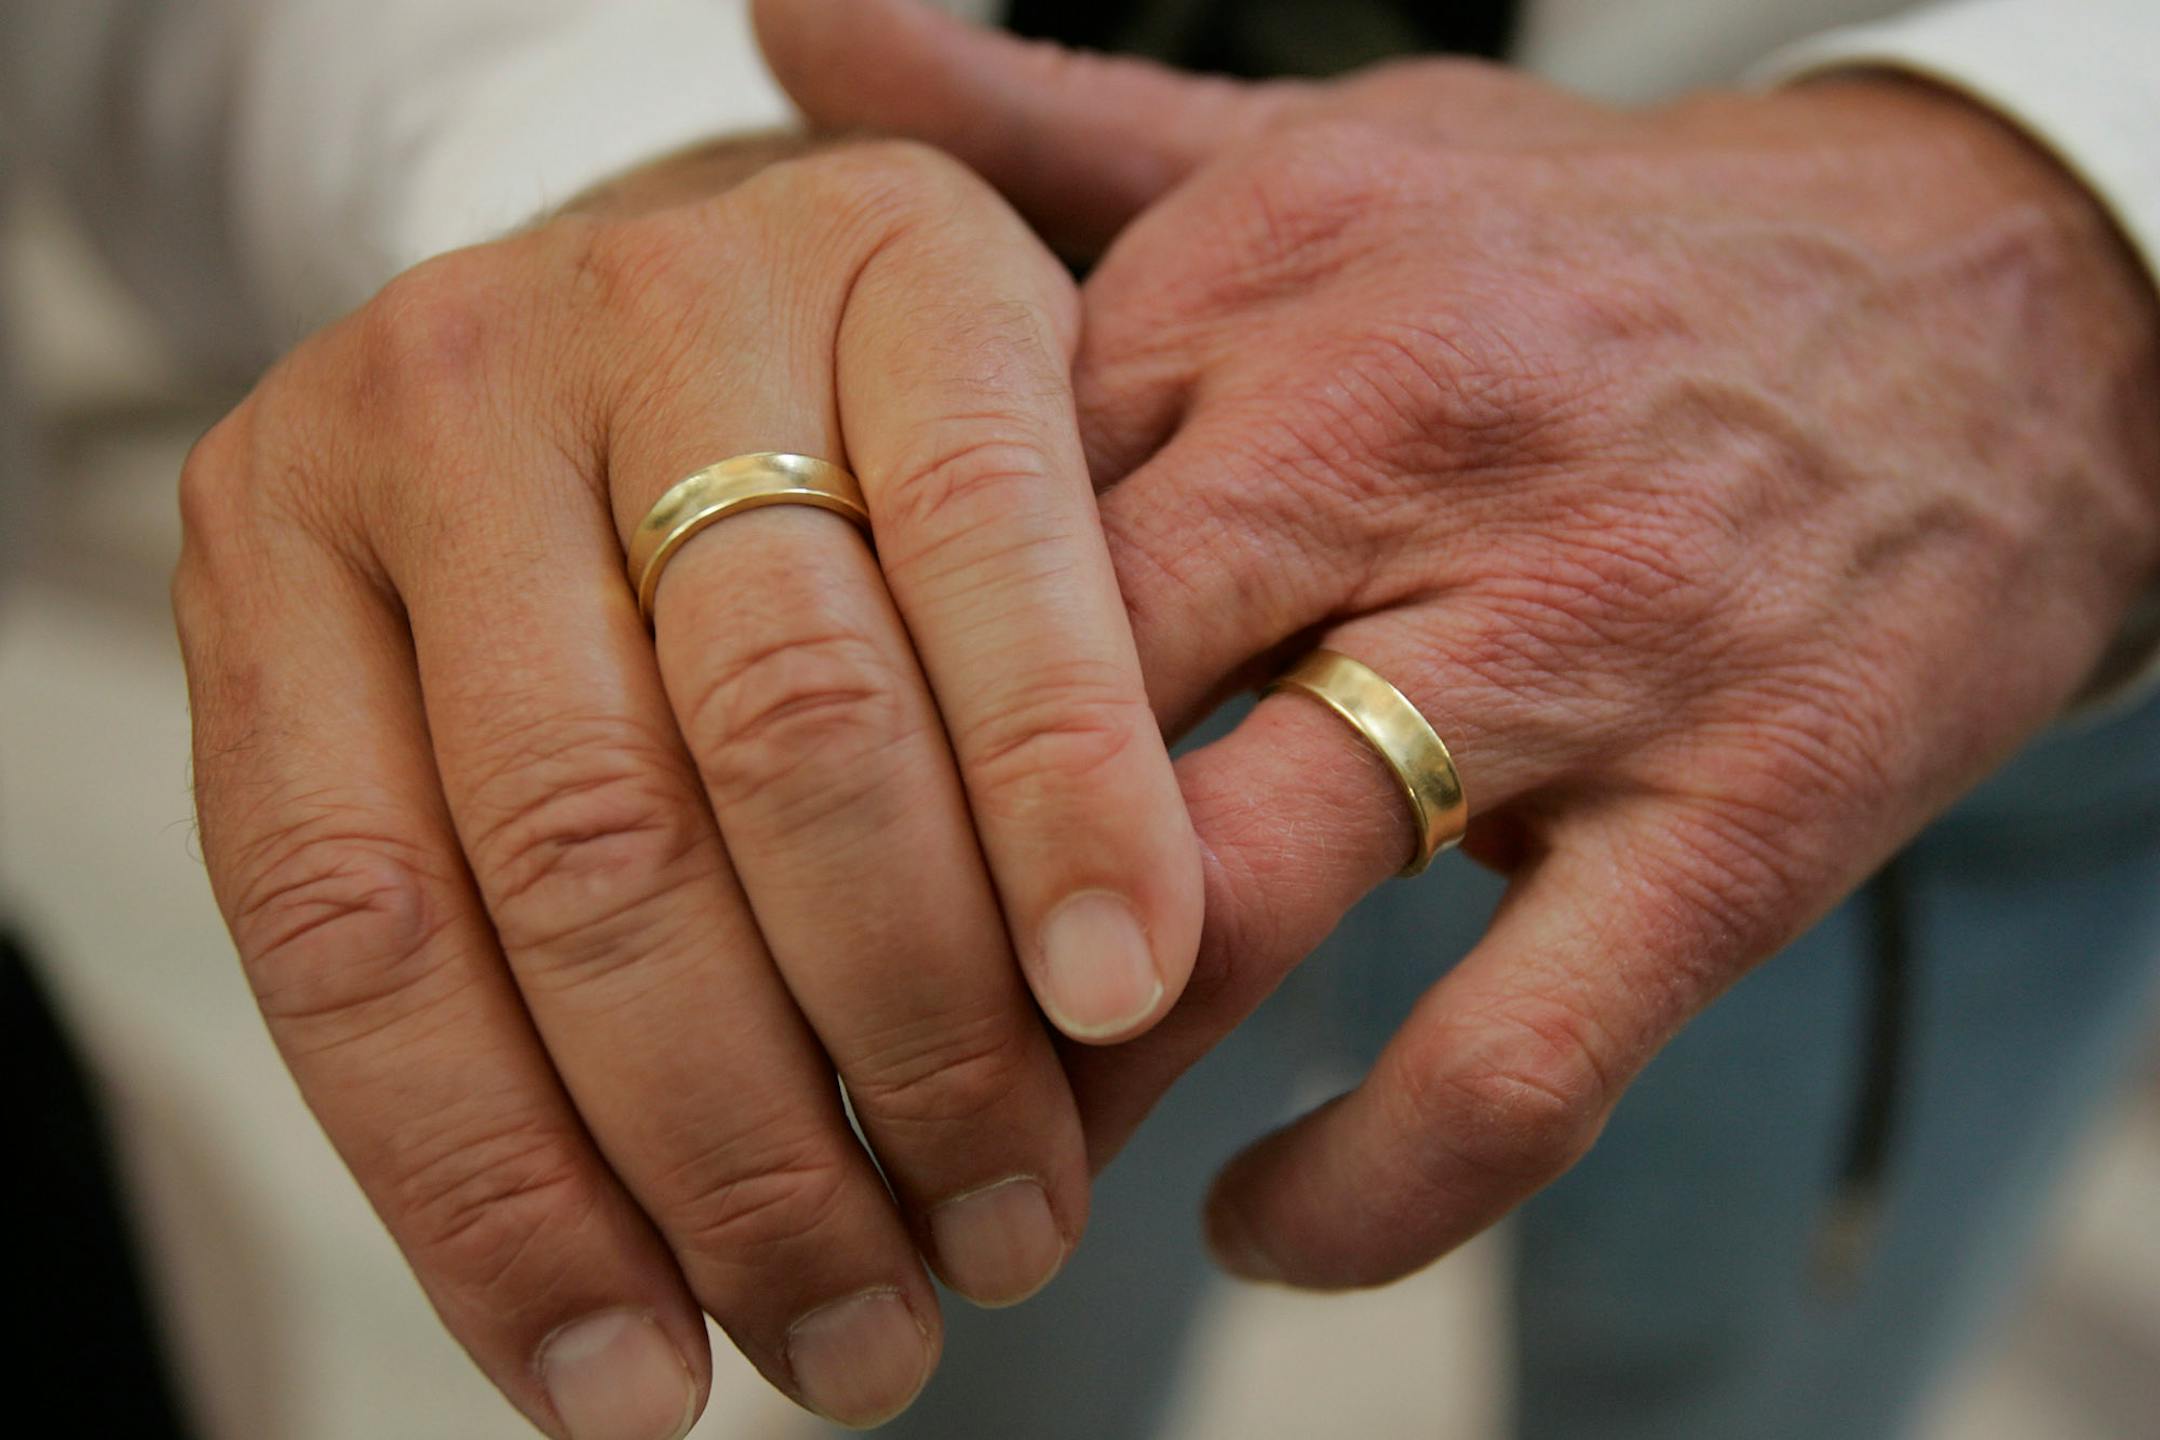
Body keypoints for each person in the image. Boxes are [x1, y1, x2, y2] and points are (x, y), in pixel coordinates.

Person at [3, 3, 2156, 1438]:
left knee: (1764, 1350)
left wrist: (2070, 203)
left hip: (1919, 543)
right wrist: (619, 150)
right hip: (929, 635)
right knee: (979, 1306)